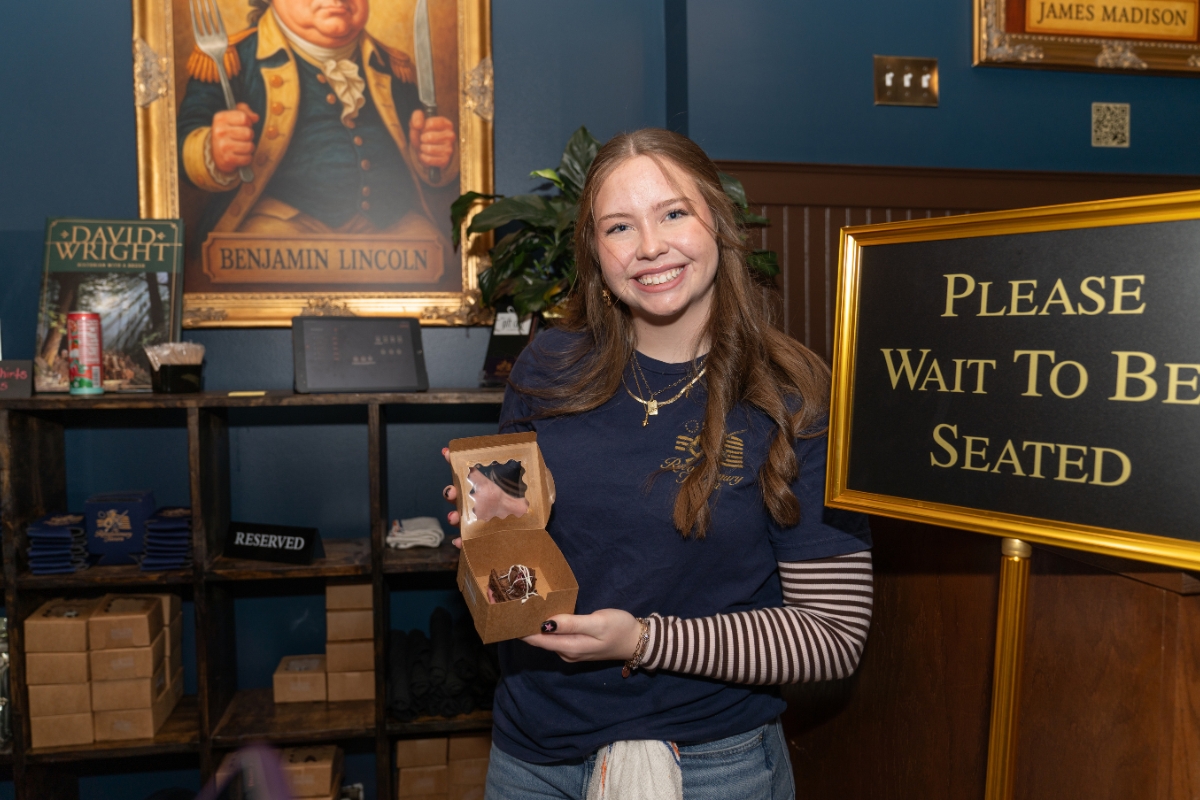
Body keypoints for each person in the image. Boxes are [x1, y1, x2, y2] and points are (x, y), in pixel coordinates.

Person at [442, 129, 873, 800]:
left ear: (718, 223)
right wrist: (495, 526)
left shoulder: (795, 396)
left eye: (673, 213)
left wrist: (643, 641)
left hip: (715, 767)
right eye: (619, 226)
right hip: (533, 757)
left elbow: (831, 635)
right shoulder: (547, 365)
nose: (649, 246)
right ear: (596, 253)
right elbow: (510, 555)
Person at [176, 0, 456, 244]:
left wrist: (433, 154)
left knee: (436, 250)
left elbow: (425, 156)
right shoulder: (231, 60)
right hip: (276, 224)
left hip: (388, 224)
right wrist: (215, 150)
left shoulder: (392, 67)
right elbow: (182, 142)